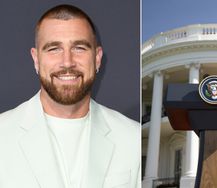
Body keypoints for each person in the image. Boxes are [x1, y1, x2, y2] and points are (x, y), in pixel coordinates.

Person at [0, 4, 140, 188]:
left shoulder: (132, 138)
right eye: (54, 49)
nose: (67, 62)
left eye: (79, 48)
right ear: (36, 59)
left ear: (97, 58)